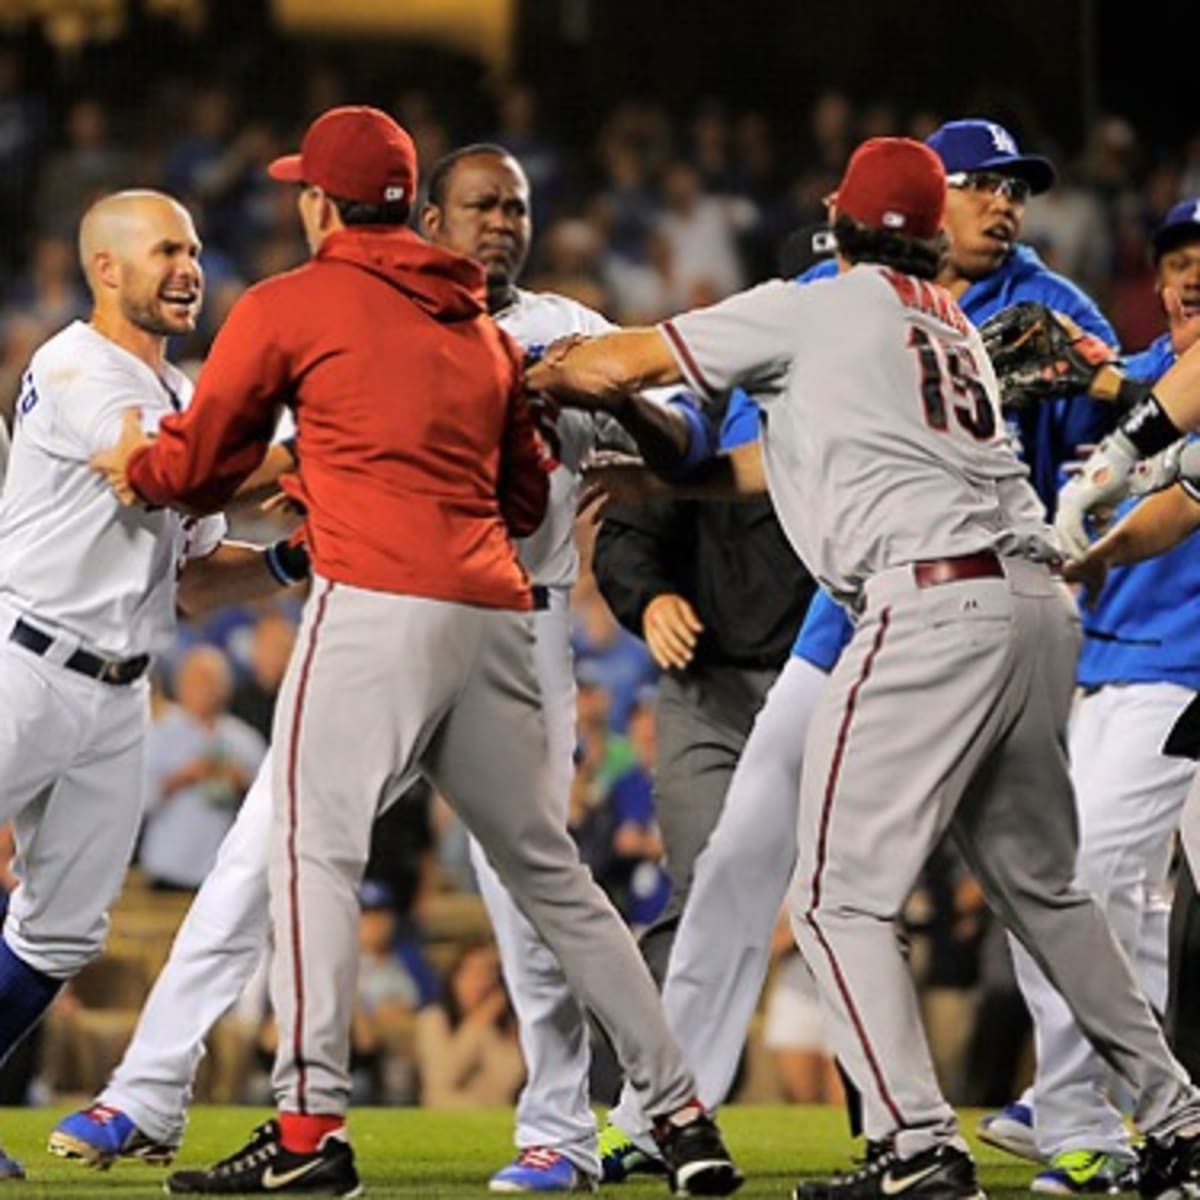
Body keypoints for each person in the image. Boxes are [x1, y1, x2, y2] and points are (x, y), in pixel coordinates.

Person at [528, 135, 1200, 1200]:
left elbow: (618, 362)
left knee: (837, 898)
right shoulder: (950, 328)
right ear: (932, 234)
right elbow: (768, 459)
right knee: (1049, 894)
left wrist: (545, 368)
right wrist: (660, 481)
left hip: (926, 606)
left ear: (838, 214)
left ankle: (915, 1143)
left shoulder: (811, 304)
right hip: (1035, 606)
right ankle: (1178, 1120)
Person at [84, 109, 740, 1199]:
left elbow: (202, 467)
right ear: (415, 207)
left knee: (308, 860)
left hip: (377, 602)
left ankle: (307, 1141)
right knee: (554, 880)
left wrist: (144, 473)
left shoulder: (297, 299)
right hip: (496, 612)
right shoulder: (485, 330)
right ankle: (680, 1118)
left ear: (319, 203)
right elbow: (524, 490)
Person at [0, 188, 310, 1181]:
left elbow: (190, 583)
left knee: (59, 933)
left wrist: (287, 562)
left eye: (197, 250)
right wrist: (314, 453)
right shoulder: (74, 363)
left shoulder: (192, 400)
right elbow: (144, 470)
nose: (190, 268)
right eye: (167, 249)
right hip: (25, 661)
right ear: (106, 268)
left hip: (123, 690)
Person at [976, 198, 1200, 1193]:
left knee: (1082, 874)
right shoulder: (1132, 381)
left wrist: (1105, 459)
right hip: (1110, 670)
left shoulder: (1142, 393)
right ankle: (1128, 1117)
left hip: (1177, 675)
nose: (1194, 272)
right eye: (1178, 257)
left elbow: (1162, 465)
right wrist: (1084, 545)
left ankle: (1078, 1105)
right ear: (1154, 281)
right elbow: (1173, 502)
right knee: (1128, 908)